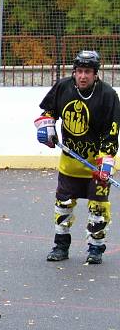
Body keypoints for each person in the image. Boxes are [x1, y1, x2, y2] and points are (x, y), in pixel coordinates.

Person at [35, 50, 120, 264]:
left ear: (96, 74)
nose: (83, 76)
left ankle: (96, 248)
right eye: (79, 71)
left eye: (88, 72)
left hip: (96, 165)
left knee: (98, 208)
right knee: (63, 204)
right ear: (74, 72)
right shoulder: (63, 87)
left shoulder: (108, 96)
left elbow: (112, 132)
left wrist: (105, 163)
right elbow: (47, 113)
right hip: (70, 164)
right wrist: (47, 127)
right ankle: (60, 246)